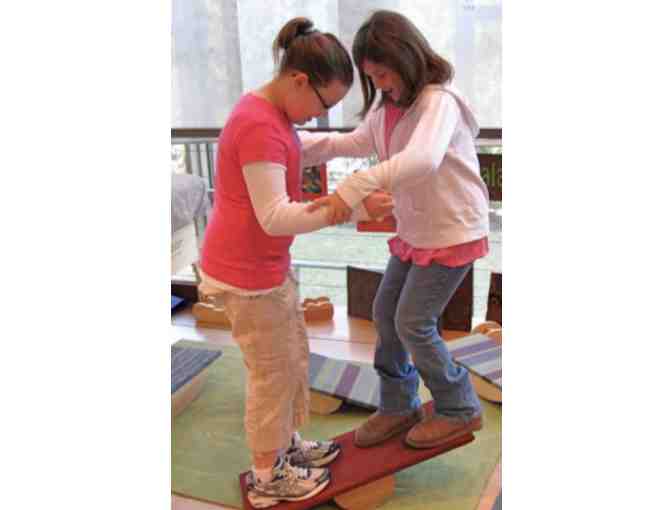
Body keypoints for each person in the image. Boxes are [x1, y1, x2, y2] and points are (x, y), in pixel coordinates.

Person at [197, 17, 393, 509]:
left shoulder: (274, 115)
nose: (319, 117)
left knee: (291, 358)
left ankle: (285, 447)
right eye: (323, 105)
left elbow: (297, 163)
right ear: (299, 80)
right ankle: (268, 476)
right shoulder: (258, 124)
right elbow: (275, 217)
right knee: (271, 373)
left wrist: (358, 164)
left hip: (263, 267)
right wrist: (350, 207)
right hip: (246, 274)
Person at [302, 10, 489, 450]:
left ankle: (459, 406)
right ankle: (399, 404)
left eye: (383, 74)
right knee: (386, 312)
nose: (380, 84)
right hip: (417, 231)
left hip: (452, 231)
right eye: (373, 77)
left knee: (413, 322)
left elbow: (422, 159)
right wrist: (290, 145)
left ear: (406, 58)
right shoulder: (389, 105)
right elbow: (352, 142)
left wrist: (354, 187)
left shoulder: (439, 102)